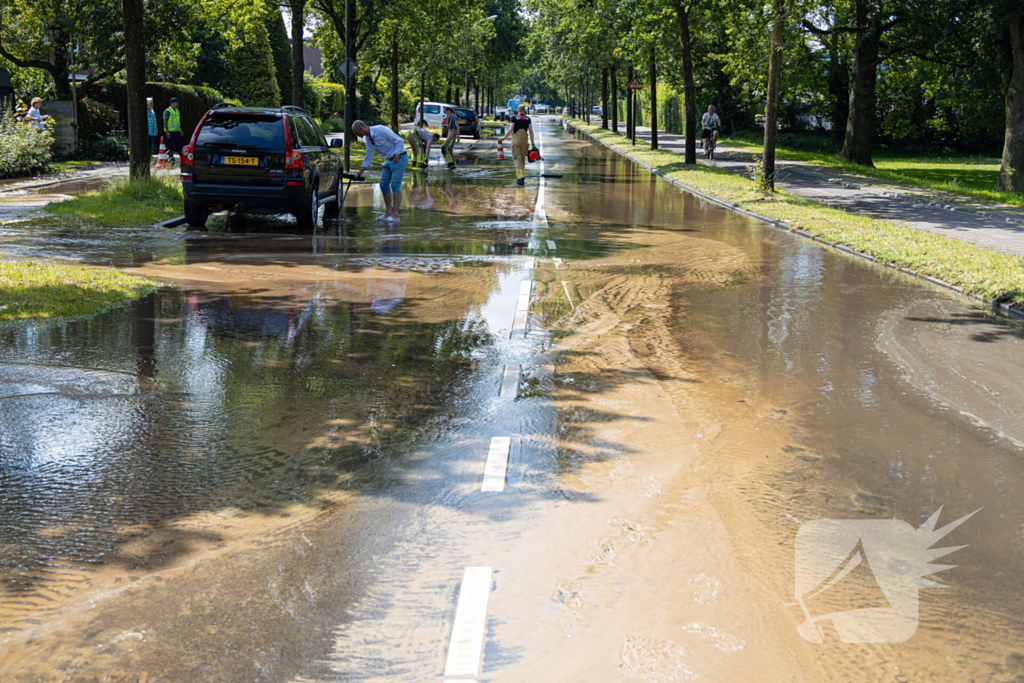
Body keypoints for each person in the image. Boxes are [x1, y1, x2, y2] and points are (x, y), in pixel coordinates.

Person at [352, 119, 409, 223]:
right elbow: (368, 157)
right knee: (383, 184)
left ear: (361, 128)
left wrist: (397, 154)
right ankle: (388, 213)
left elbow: (399, 141)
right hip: (388, 160)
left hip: (399, 158)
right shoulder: (369, 140)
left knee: (395, 184)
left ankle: (395, 216)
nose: (356, 135)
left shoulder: (381, 130)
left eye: (356, 133)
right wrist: (359, 173)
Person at [501, 104, 536, 186]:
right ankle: (522, 174)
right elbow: (531, 131)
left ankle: (520, 177)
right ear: (524, 110)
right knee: (523, 158)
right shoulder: (528, 119)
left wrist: (504, 138)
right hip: (525, 140)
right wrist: (533, 143)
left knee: (517, 158)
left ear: (517, 110)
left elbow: (510, 129)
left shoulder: (514, 118)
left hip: (516, 140)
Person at [163, 97, 182, 162]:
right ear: (173, 103)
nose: (178, 104)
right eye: (177, 102)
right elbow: (165, 121)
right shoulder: (168, 111)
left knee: (179, 145)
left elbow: (178, 121)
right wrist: (167, 131)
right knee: (170, 147)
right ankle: (171, 160)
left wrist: (181, 130)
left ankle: (182, 158)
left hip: (176, 131)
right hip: (170, 132)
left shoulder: (177, 110)